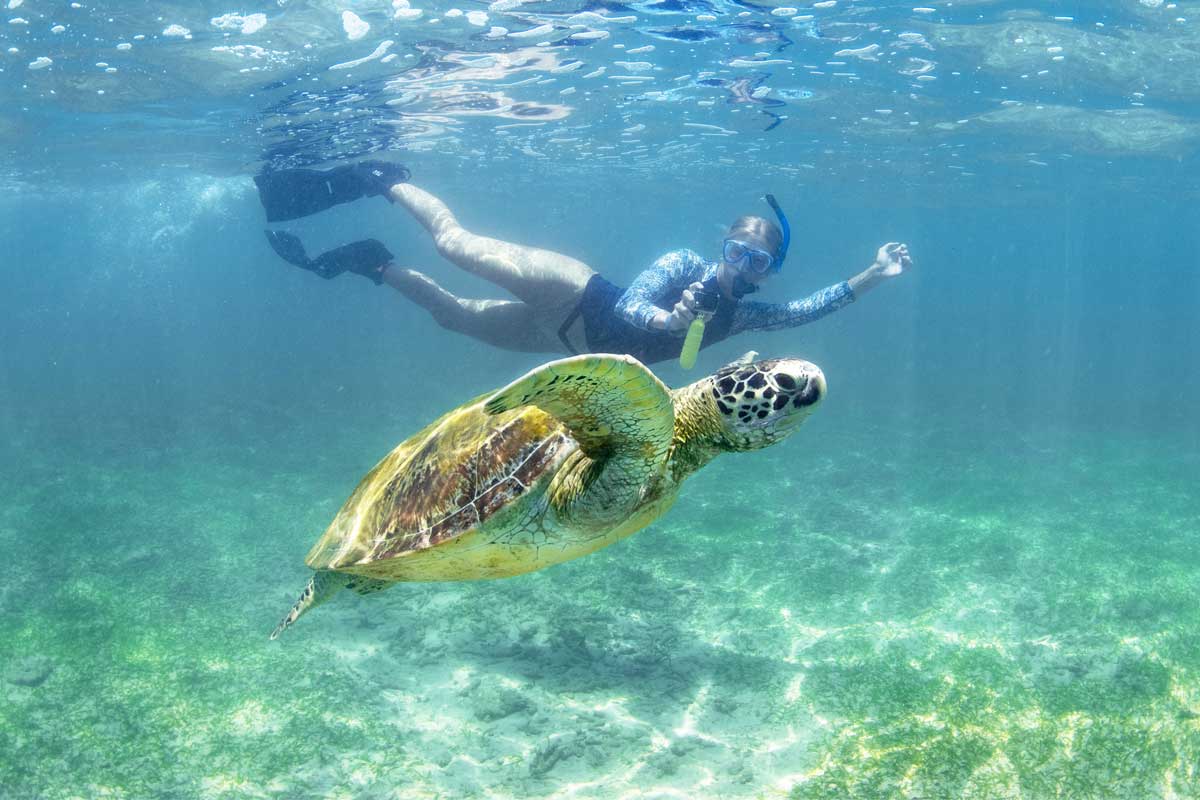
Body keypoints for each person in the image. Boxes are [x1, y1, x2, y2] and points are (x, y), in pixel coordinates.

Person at [254, 161, 913, 364]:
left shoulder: (744, 318)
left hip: (562, 344)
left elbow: (804, 311)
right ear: (722, 248)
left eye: (759, 262)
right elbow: (631, 305)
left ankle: (372, 262)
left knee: (450, 317)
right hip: (570, 293)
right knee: (454, 244)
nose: (745, 267)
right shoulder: (685, 263)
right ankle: (384, 177)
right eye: (738, 252)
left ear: (769, 270)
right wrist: (670, 315)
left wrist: (872, 275)